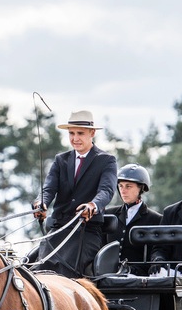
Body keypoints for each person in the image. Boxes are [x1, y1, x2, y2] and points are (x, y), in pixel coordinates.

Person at [31, 110, 118, 278]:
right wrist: (40, 203)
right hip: (59, 229)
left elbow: (106, 190)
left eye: (80, 133)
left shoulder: (106, 160)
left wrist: (92, 205)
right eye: (71, 133)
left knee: (65, 271)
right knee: (38, 269)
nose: (75, 138)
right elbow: (48, 189)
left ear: (92, 133)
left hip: (86, 231)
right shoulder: (60, 160)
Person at [104, 164, 162, 274]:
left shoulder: (156, 219)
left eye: (128, 186)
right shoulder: (109, 214)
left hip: (140, 279)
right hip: (108, 276)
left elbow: (156, 253)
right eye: (121, 186)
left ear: (141, 188)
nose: (123, 190)